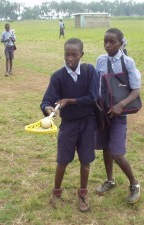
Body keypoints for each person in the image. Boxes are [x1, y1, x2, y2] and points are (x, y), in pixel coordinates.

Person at [40, 38, 99, 212]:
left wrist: (68, 100)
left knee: (86, 160)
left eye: (74, 54)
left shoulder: (89, 71)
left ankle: (82, 194)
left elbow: (93, 98)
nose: (70, 58)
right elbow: (46, 100)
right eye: (67, 54)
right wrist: (48, 108)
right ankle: (56, 191)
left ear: (82, 54)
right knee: (62, 160)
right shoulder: (58, 76)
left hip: (88, 123)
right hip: (68, 125)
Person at [95, 28, 141, 204]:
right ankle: (110, 180)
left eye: (112, 42)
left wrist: (121, 105)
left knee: (116, 152)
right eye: (105, 41)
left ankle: (134, 184)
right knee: (105, 148)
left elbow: (136, 90)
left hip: (119, 115)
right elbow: (97, 85)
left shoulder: (127, 62)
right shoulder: (100, 60)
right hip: (102, 112)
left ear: (121, 43)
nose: (107, 45)